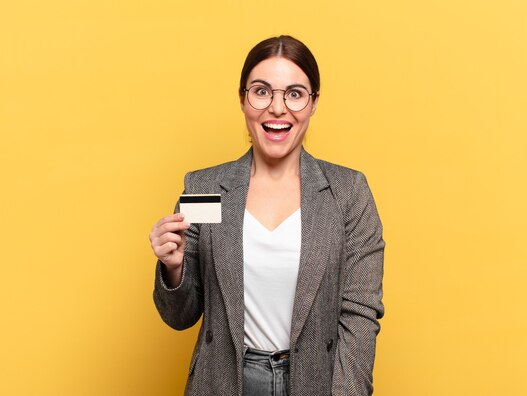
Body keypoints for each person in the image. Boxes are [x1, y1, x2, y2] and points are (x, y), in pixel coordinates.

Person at [150, 35, 385, 396]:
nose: (277, 108)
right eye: (262, 91)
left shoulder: (348, 192)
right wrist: (174, 267)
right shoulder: (205, 187)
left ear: (313, 102)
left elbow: (359, 316)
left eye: (294, 93)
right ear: (243, 99)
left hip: (314, 381)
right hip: (226, 381)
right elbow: (179, 316)